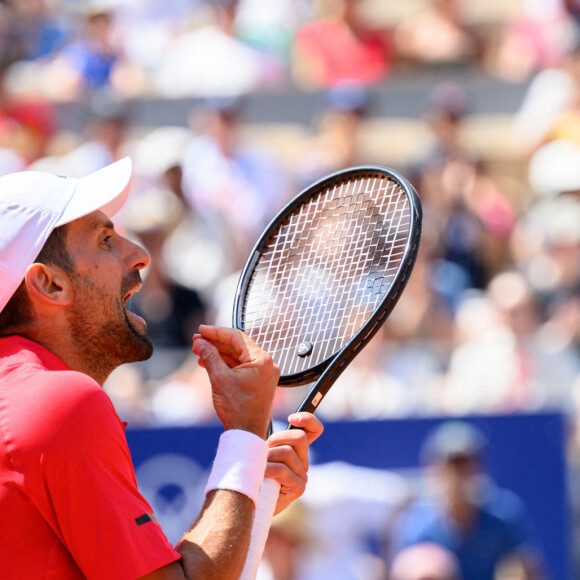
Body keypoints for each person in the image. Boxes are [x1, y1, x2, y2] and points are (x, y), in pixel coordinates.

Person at [0, 157, 324, 579]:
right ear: (49, 283)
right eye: (105, 239)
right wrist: (245, 431)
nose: (139, 254)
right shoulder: (58, 404)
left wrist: (248, 494)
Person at [391, 421, 545, 580]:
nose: (458, 475)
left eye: (465, 465)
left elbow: (529, 566)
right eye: (452, 466)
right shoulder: (418, 527)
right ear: (435, 469)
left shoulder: (503, 513)